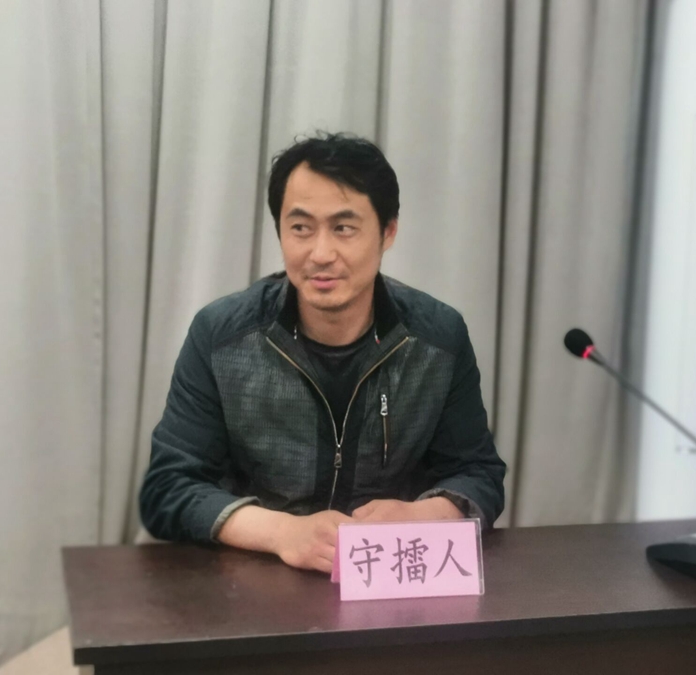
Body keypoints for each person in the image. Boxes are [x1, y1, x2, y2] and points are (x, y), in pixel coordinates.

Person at [139, 132, 506, 573]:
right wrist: (281, 532)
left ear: (387, 232)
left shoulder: (438, 338)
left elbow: (479, 474)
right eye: (300, 228)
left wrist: (423, 515)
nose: (320, 253)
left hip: (387, 580)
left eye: (343, 228)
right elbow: (168, 486)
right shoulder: (221, 336)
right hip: (255, 578)